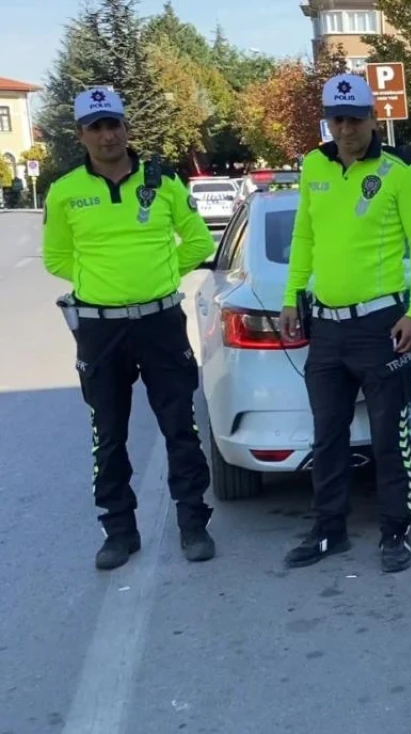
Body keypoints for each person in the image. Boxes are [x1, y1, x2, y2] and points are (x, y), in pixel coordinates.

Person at [42, 87, 217, 570]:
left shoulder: (162, 182)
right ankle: (119, 532)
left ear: (126, 128)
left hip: (159, 322)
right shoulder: (64, 191)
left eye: (113, 124)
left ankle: (193, 524)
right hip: (100, 330)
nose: (107, 134)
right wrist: (103, 283)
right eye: (95, 127)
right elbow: (56, 256)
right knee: (109, 433)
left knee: (181, 425)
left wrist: (158, 276)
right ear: (81, 135)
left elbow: (198, 240)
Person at [278, 73, 411, 573]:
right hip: (326, 328)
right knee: (327, 436)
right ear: (329, 119)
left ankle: (395, 532)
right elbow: (304, 237)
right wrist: (289, 298)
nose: (346, 128)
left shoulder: (398, 172)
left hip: (382, 325)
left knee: (390, 437)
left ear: (372, 118)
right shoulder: (313, 167)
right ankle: (329, 531)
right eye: (337, 118)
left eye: (355, 118)